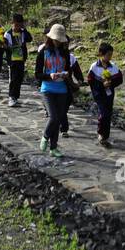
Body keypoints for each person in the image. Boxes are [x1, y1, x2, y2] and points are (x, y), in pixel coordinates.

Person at [36, 24, 73, 158]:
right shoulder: (43, 52)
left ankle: (54, 147)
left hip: (62, 89)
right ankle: (45, 137)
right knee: (53, 117)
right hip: (47, 88)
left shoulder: (65, 53)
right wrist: (49, 76)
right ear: (50, 38)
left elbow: (69, 69)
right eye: (56, 39)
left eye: (60, 40)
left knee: (58, 120)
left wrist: (66, 74)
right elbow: (37, 74)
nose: (57, 42)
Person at [86, 43, 123, 148]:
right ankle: (101, 134)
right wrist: (102, 85)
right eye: (108, 54)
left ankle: (105, 136)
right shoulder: (94, 67)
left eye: (111, 54)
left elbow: (120, 79)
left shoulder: (113, 66)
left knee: (108, 114)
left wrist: (111, 82)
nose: (110, 57)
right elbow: (90, 81)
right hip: (98, 94)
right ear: (101, 54)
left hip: (109, 94)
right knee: (103, 113)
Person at [3, 13, 33, 107]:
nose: (17, 27)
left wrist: (24, 29)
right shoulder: (7, 34)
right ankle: (11, 96)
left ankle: (16, 96)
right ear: (11, 24)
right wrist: (8, 47)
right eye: (15, 25)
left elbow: (29, 39)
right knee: (13, 79)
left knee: (19, 79)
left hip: (21, 59)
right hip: (12, 60)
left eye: (19, 25)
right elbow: (4, 46)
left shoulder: (23, 33)